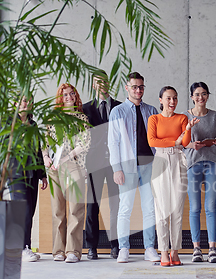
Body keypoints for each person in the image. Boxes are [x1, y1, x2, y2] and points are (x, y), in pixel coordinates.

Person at [107, 72, 160, 263]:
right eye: (135, 87)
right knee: (125, 208)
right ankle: (124, 248)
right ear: (127, 88)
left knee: (149, 208)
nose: (138, 90)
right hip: (127, 168)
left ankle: (149, 248)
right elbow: (113, 143)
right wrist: (116, 169)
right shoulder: (118, 111)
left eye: (141, 87)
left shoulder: (152, 110)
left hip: (149, 166)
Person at [147, 86, 199, 266]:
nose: (172, 102)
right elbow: (152, 141)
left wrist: (188, 130)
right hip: (160, 160)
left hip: (178, 160)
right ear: (160, 100)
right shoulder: (153, 119)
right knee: (161, 210)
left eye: (175, 98)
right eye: (168, 98)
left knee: (177, 209)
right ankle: (163, 252)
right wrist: (174, 140)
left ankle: (175, 252)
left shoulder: (183, 118)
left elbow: (184, 143)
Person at [43, 83, 90, 263]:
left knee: (76, 208)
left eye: (72, 94)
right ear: (60, 98)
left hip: (73, 165)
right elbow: (44, 142)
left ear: (76, 96)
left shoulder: (81, 118)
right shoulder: (52, 118)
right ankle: (58, 251)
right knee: (57, 211)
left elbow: (84, 144)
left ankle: (73, 251)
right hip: (54, 168)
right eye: (65, 94)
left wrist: (66, 157)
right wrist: (46, 158)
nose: (69, 97)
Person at [183, 82, 216, 263]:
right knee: (194, 208)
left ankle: (212, 248)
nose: (201, 97)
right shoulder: (184, 116)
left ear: (208, 95)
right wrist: (191, 144)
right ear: (192, 96)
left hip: (212, 163)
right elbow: (180, 142)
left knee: (210, 207)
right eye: (197, 94)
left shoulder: (215, 116)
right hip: (193, 163)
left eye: (204, 94)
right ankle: (196, 248)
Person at [82, 72, 122, 260]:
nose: (102, 85)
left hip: (115, 163)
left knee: (116, 205)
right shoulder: (85, 109)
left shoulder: (120, 107)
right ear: (93, 85)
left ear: (109, 83)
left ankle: (115, 245)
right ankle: (91, 247)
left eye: (105, 81)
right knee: (92, 205)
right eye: (98, 82)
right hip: (94, 162)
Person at [8, 94, 48, 262]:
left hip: (32, 173)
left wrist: (43, 175)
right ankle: (20, 248)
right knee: (22, 211)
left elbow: (38, 151)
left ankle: (25, 247)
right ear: (17, 102)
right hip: (16, 173)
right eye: (25, 100)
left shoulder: (33, 124)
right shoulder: (9, 123)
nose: (28, 103)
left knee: (30, 211)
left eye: (31, 101)